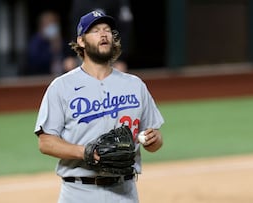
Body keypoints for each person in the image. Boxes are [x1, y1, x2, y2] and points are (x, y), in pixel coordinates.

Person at [34, 11, 164, 202]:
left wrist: (155, 140)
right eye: (95, 31)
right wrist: (84, 152)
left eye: (107, 30)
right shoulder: (61, 87)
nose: (104, 34)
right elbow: (45, 142)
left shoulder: (135, 85)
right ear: (81, 41)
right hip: (79, 193)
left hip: (125, 192)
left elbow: (155, 140)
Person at [63, 0, 134, 72]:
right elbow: (74, 27)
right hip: (84, 54)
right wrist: (71, 54)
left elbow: (125, 28)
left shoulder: (118, 2)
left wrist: (120, 58)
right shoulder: (79, 2)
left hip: (111, 55)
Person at [26, 10, 67, 76]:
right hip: (40, 78)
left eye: (54, 23)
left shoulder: (61, 40)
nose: (52, 26)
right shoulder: (35, 43)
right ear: (41, 26)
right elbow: (35, 63)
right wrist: (51, 49)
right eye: (49, 23)